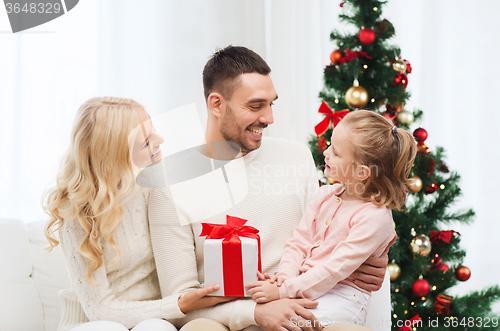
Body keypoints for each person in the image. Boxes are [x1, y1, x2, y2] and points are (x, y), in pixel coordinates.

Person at [148, 46, 392, 331]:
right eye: (255, 106)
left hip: (303, 309)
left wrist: (373, 258)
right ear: (216, 105)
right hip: (226, 320)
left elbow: (329, 231)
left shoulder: (296, 157)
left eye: (270, 104)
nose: (268, 118)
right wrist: (256, 314)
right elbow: (180, 302)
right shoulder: (169, 184)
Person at [43, 97, 231, 331]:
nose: (160, 140)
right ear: (115, 155)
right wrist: (178, 304)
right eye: (146, 142)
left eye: (154, 130)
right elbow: (100, 310)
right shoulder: (78, 209)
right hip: (93, 322)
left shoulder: (156, 184)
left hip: (153, 319)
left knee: (156, 328)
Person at [245, 110, 416, 328]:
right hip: (306, 286)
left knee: (290, 324)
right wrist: (284, 278)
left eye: (335, 152)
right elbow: (299, 242)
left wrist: (282, 291)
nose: (325, 153)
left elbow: (335, 269)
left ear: (362, 172)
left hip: (343, 298)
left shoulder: (374, 217)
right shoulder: (325, 195)